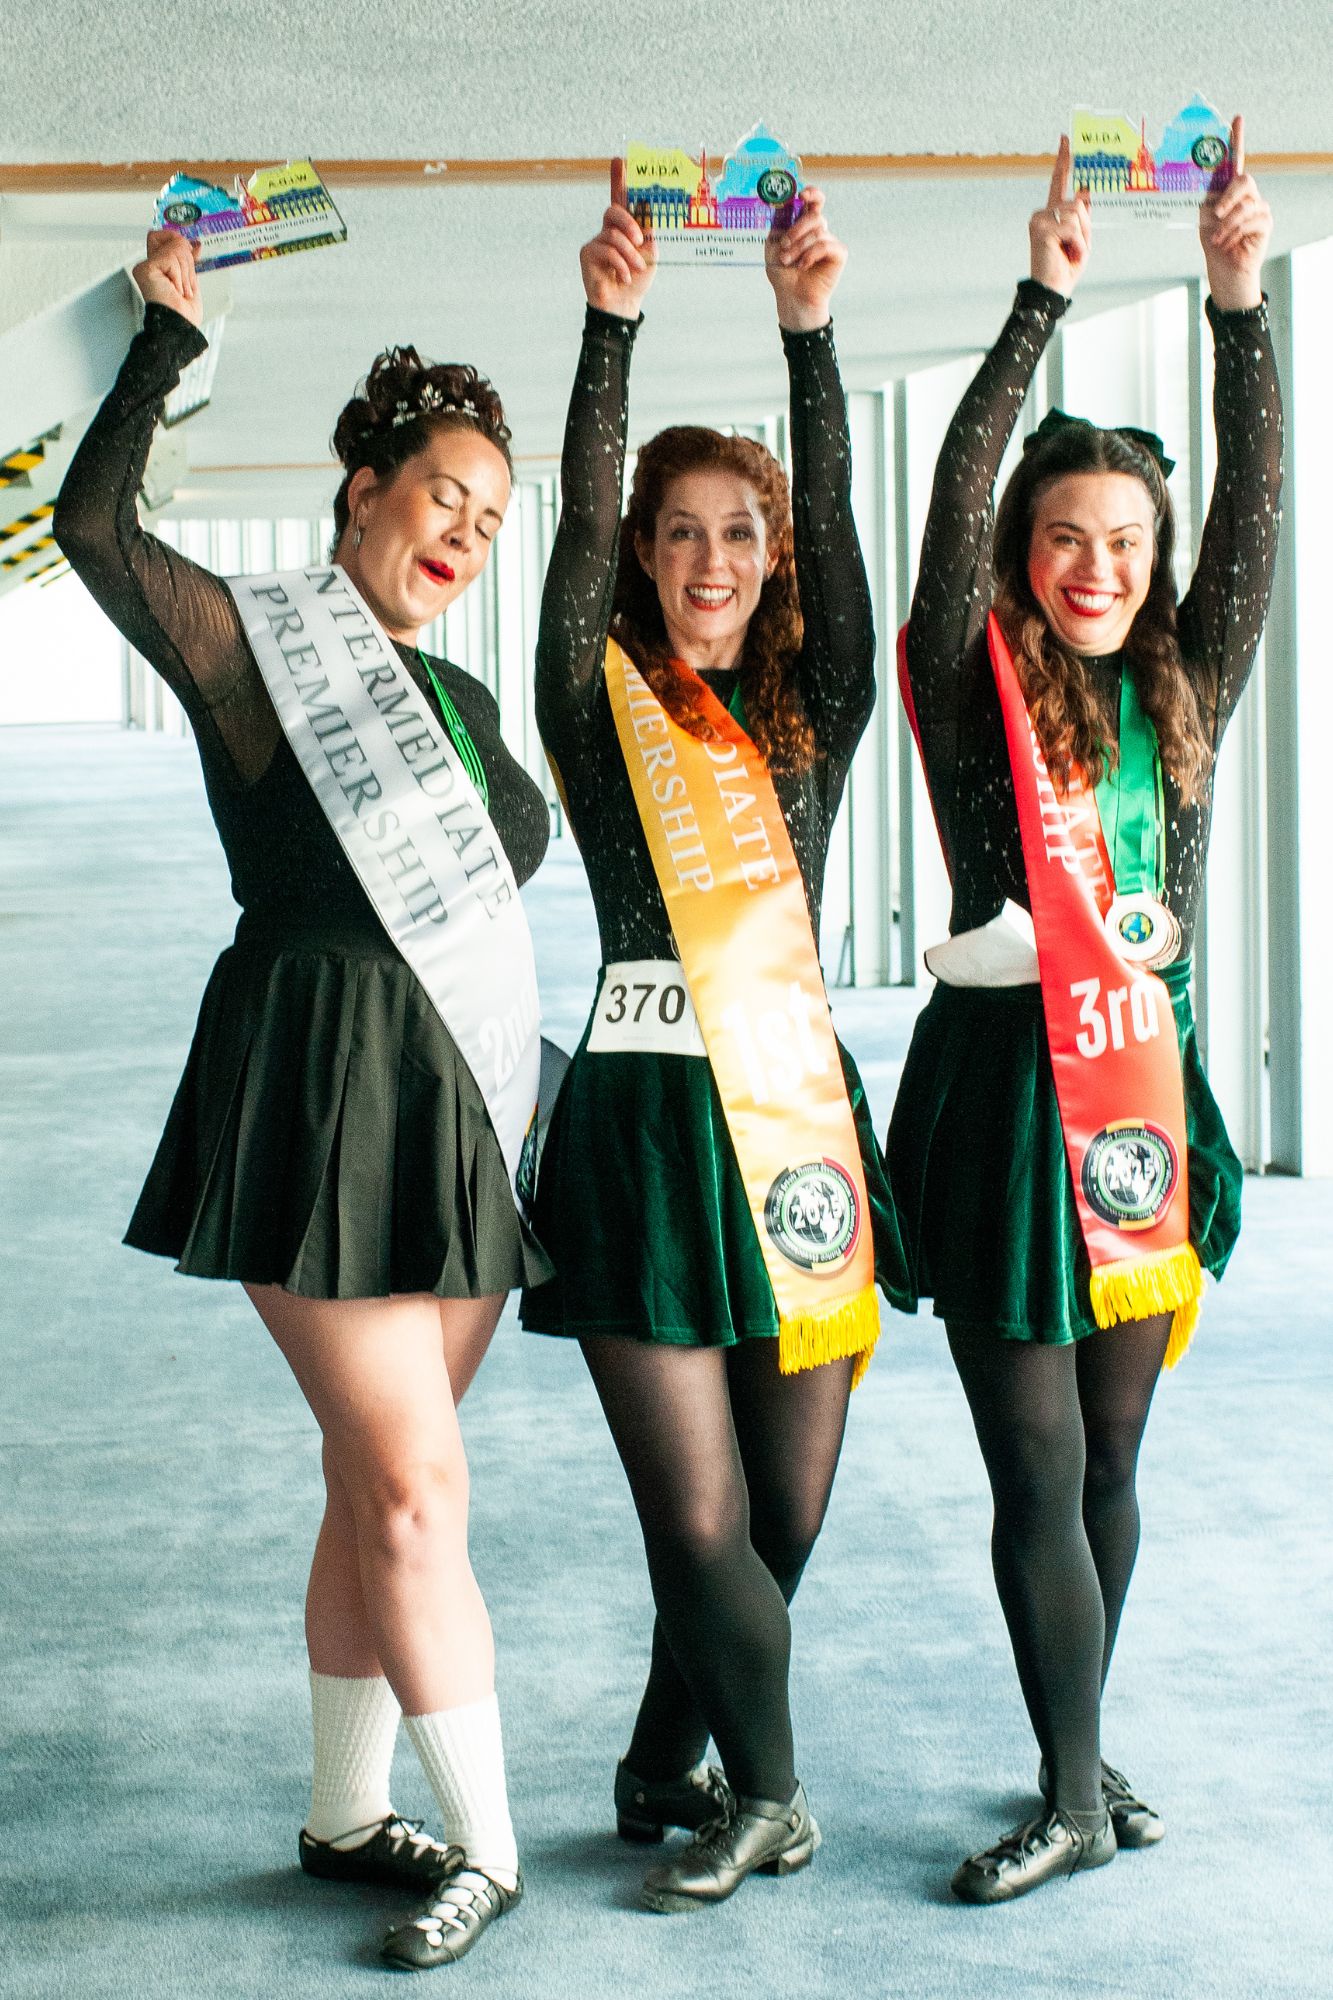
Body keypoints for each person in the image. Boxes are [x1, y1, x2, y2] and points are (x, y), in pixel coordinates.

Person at [54, 227, 551, 1969]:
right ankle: (488, 1846)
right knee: (419, 1494)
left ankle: (347, 1810)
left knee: (370, 1481)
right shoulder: (260, 655)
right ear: (363, 490)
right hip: (312, 1087)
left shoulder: (475, 705)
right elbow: (96, 535)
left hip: (457, 1112)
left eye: (491, 517)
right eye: (442, 493)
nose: (462, 532)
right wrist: (162, 343)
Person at [888, 122, 1281, 1902]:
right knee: (1034, 1460)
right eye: (1065, 539)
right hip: (1004, 1098)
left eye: (1126, 541)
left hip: (1141, 1100)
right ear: (1025, 555)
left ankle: (1079, 1755)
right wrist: (1037, 304)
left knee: (1113, 1449)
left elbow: (1260, 503)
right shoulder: (971, 693)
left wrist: (1235, 307)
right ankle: (1064, 1788)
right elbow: (952, 502)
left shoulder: (1185, 689)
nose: (1097, 568)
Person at [521, 164, 912, 1913]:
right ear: (643, 556)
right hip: (646, 1135)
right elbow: (573, 534)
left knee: (785, 1518)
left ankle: (666, 1748)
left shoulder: (810, 722)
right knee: (697, 1520)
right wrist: (611, 325)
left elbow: (835, 522)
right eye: (676, 531)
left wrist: (804, 336)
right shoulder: (594, 718)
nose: (707, 559)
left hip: (800, 1128)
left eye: (735, 535)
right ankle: (770, 1794)